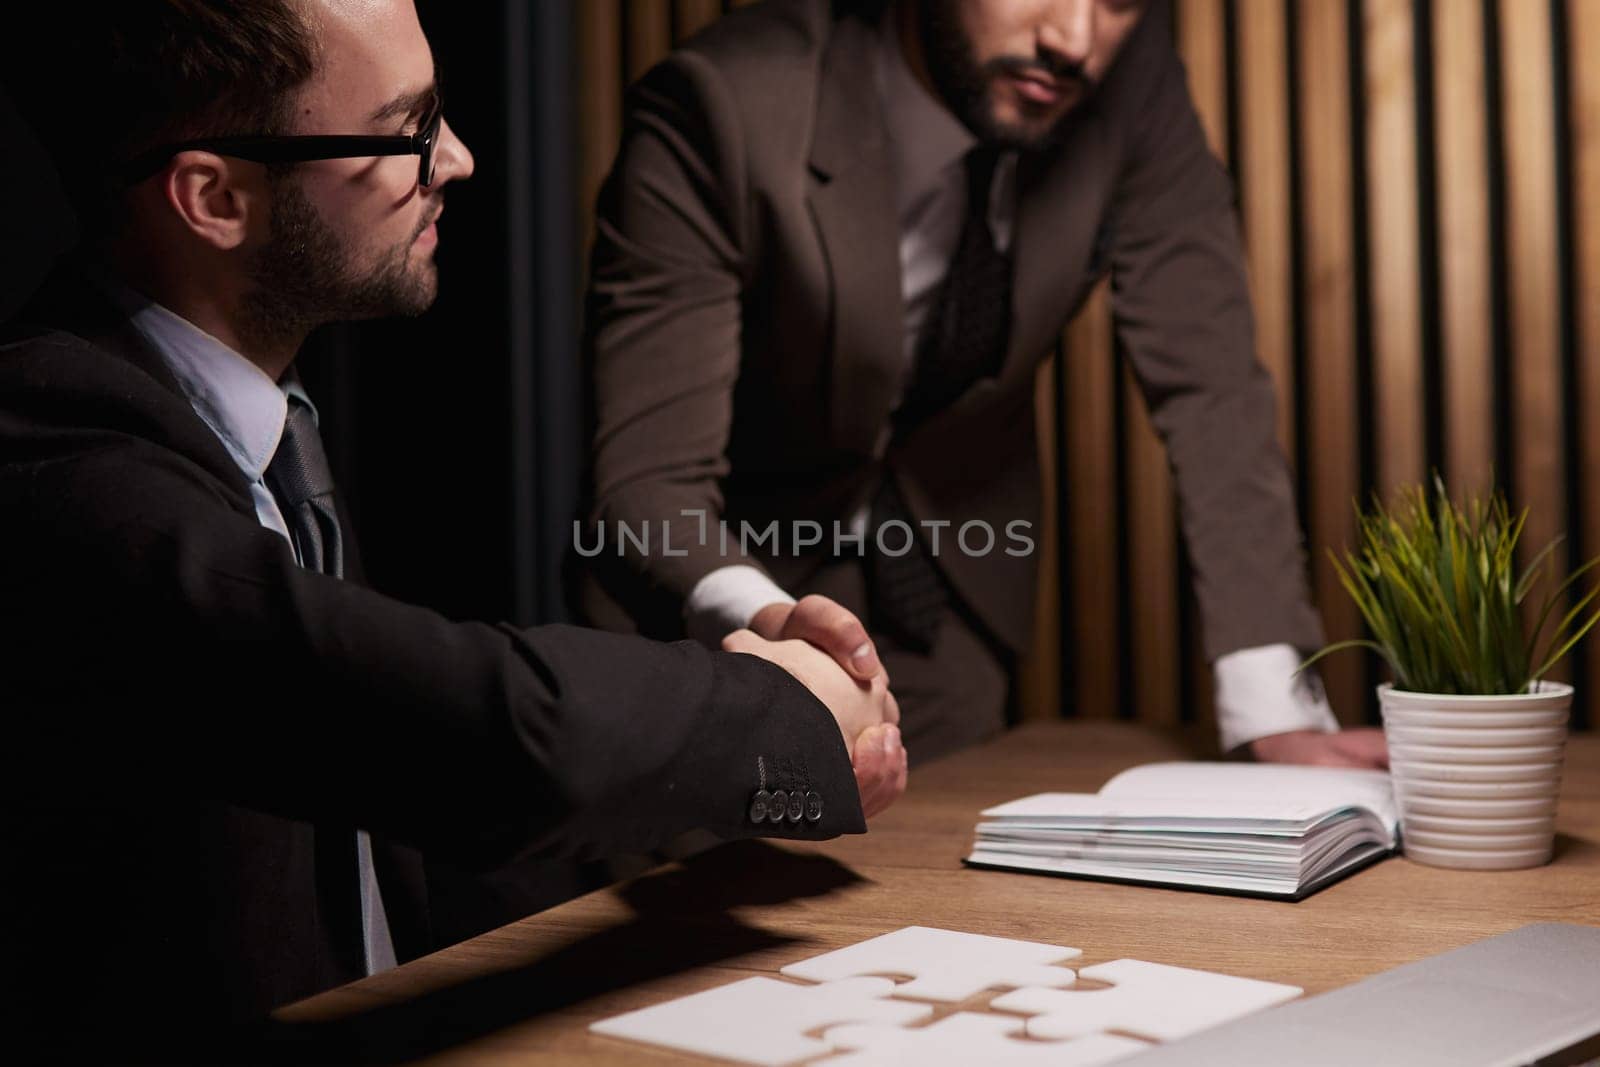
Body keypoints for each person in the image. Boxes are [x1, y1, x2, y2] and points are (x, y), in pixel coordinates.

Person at [0, 0, 905, 1053]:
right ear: (214, 197)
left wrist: (776, 778)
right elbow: (475, 726)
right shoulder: (55, 453)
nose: (459, 160)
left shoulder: (260, 419)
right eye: (408, 130)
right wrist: (782, 717)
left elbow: (379, 830)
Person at [576, 0, 1387, 768]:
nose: (1073, 37)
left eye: (1121, 2)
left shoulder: (1131, 85)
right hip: (709, 611)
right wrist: (767, 618)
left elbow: (1211, 387)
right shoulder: (725, 103)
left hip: (946, 606)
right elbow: (651, 478)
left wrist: (1271, 709)